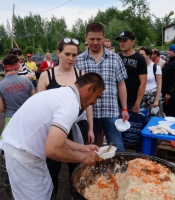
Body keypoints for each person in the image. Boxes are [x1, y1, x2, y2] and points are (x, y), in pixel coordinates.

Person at [0, 72, 104, 200]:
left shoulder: (64, 94)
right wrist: (83, 158)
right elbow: (53, 149)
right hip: (21, 156)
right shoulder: (70, 104)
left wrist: (83, 148)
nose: (94, 102)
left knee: (47, 192)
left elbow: (57, 139)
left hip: (24, 150)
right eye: (97, 97)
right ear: (89, 88)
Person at [37, 37, 94, 196]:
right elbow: (40, 106)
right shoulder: (46, 76)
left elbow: (88, 104)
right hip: (54, 127)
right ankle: (51, 194)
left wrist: (90, 128)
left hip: (77, 125)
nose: (70, 58)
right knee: (52, 165)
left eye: (74, 55)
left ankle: (76, 195)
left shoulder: (81, 76)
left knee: (77, 166)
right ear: (58, 54)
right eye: (67, 54)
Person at [74, 22, 129, 152]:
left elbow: (121, 85)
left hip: (110, 111)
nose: (95, 42)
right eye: (92, 39)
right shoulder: (78, 60)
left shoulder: (115, 59)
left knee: (118, 148)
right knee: (89, 149)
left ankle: (120, 172)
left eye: (99, 39)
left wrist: (125, 108)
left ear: (104, 37)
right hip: (86, 113)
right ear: (85, 38)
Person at [115, 30, 147, 114]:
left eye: (125, 41)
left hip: (132, 101)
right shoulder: (117, 57)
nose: (121, 43)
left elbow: (143, 82)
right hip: (117, 101)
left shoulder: (139, 58)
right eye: (120, 41)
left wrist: (137, 103)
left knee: (133, 126)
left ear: (132, 42)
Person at [0, 54, 35, 129]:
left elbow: (1, 108)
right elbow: (34, 100)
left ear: (5, 68)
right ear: (17, 67)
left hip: (11, 119)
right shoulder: (27, 81)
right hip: (27, 117)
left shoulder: (1, 85)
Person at [162, 44, 175, 118]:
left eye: (170, 50)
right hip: (166, 92)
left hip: (173, 95)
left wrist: (169, 93)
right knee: (166, 113)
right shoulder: (170, 61)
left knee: (172, 114)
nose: (168, 52)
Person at [139, 47, 162, 115]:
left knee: (152, 117)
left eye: (142, 54)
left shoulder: (155, 67)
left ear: (148, 55)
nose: (140, 56)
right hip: (141, 96)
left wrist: (157, 100)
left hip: (152, 95)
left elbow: (159, 85)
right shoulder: (139, 67)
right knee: (142, 116)